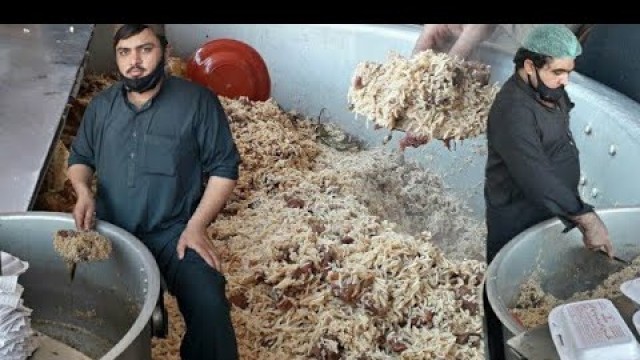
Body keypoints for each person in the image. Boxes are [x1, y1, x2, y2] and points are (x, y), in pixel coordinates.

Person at [67, 24, 241, 360]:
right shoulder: (101, 107)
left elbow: (224, 169)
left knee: (210, 300)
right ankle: (147, 324)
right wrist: (83, 191)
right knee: (89, 310)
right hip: (112, 231)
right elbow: (80, 159)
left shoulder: (197, 103)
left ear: (164, 51)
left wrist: (197, 225)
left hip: (174, 233)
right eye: (125, 52)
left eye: (144, 50)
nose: (135, 61)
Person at [482, 25, 615, 360]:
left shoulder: (548, 92)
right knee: (505, 298)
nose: (565, 80)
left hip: (552, 209)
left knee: (545, 290)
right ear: (529, 67)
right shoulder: (512, 110)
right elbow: (534, 174)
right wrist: (585, 217)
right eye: (557, 71)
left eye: (569, 72)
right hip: (516, 215)